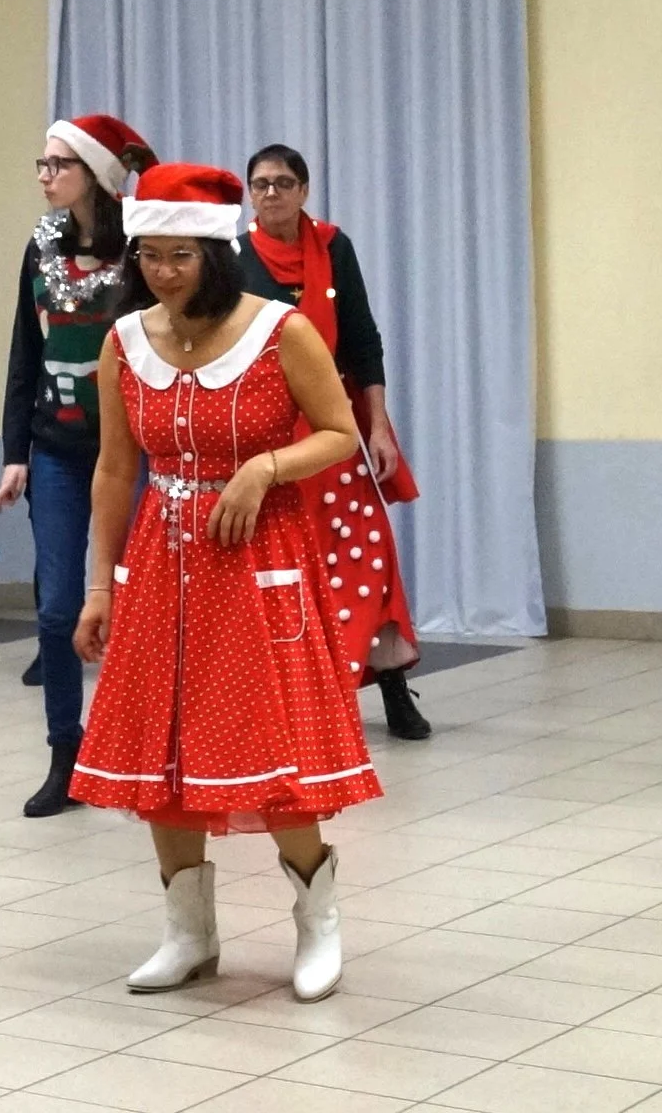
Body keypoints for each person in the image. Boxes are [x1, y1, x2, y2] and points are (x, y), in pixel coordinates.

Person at [70, 165, 380, 1004]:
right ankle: (188, 934)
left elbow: (338, 432)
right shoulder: (124, 341)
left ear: (216, 253)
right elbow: (114, 468)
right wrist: (98, 587)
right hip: (160, 564)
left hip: (255, 560)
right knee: (162, 749)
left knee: (272, 745)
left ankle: (317, 923)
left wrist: (263, 469)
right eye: (149, 255)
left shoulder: (280, 331)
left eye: (181, 256)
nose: (163, 272)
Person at [237, 146, 429, 740]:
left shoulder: (333, 247)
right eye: (261, 184)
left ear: (304, 190)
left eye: (283, 183)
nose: (271, 193)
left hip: (336, 428)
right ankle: (302, 700)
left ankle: (392, 686)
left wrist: (378, 427)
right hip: (270, 433)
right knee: (293, 565)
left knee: (368, 558)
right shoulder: (234, 257)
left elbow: (363, 340)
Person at [0, 113, 156, 817]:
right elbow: (23, 351)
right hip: (57, 450)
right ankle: (65, 750)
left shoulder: (143, 249)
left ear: (94, 174)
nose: (44, 175)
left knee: (138, 601)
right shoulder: (40, 245)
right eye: (41, 163)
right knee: (60, 605)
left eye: (57, 164)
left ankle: (141, 750)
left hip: (135, 450)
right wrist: (15, 453)